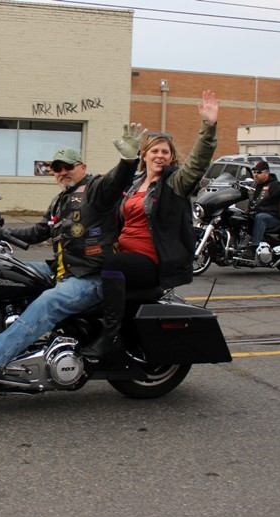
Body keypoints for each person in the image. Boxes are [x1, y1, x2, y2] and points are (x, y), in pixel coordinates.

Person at [0, 124, 148, 372]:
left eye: (69, 166)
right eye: (57, 168)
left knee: (47, 302)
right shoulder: (60, 200)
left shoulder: (95, 190)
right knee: (3, 272)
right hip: (64, 270)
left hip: (90, 277)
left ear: (83, 167)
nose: (63, 172)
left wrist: (128, 159)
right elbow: (39, 231)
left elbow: (115, 182)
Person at [80, 90, 219, 360]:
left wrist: (208, 127)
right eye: (154, 150)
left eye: (165, 152)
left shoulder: (174, 183)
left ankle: (111, 337)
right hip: (127, 252)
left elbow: (197, 164)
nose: (160, 155)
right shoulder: (133, 185)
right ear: (144, 155)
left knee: (114, 265)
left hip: (152, 259)